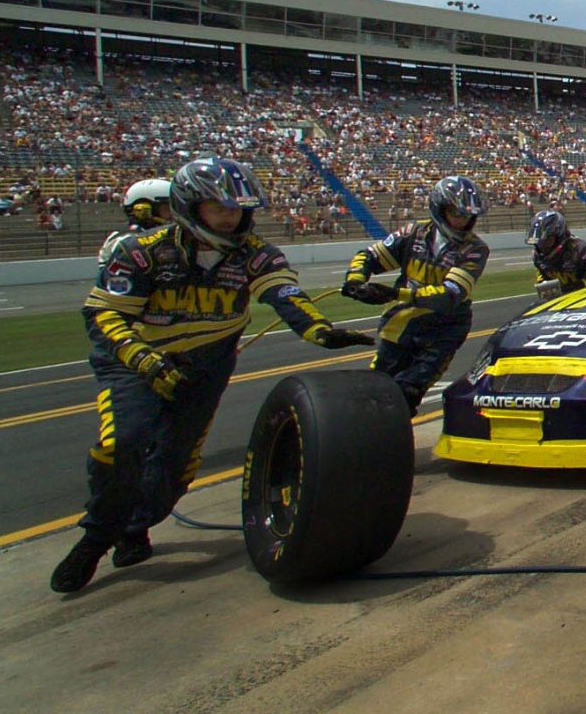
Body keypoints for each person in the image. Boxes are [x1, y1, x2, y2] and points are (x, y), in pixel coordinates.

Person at [54, 157, 372, 594]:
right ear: (190, 205)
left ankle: (137, 527)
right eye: (220, 208)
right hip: (135, 364)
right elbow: (103, 315)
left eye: (239, 209)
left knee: (175, 463)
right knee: (121, 443)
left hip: (206, 366)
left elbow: (284, 292)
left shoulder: (255, 253)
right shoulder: (140, 252)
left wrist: (318, 329)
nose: (232, 217)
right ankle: (95, 537)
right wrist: (145, 361)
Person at [340, 175, 491, 415]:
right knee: (376, 389)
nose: (463, 222)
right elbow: (369, 256)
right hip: (400, 326)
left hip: (443, 332)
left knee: (406, 394)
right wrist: (355, 281)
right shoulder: (414, 233)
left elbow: (450, 294)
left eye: (468, 216)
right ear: (440, 209)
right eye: (457, 214)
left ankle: (393, 443)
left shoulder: (475, 249)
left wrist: (394, 293)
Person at [527, 208, 586, 301]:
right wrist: (544, 285)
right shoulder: (537, 255)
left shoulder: (580, 249)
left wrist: (581, 284)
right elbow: (541, 274)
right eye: (539, 242)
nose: (542, 247)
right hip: (563, 301)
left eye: (547, 241)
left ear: (559, 236)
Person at [96, 177, 173, 264]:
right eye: (167, 209)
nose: (173, 215)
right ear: (144, 210)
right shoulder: (125, 240)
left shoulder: (162, 235)